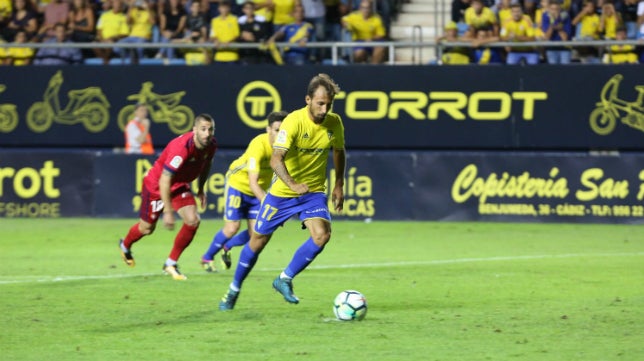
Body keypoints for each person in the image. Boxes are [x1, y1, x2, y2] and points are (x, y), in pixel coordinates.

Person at [218, 73, 345, 311]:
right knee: (257, 241)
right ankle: (233, 290)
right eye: (320, 103)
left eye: (329, 104)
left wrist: (339, 184)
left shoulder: (334, 122)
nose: (325, 109)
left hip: (313, 191)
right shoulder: (293, 122)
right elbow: (276, 159)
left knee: (322, 235)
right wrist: (293, 184)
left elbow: (339, 151)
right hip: (283, 193)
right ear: (307, 99)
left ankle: (284, 279)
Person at [118, 113, 217, 280]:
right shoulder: (182, 148)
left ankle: (170, 263)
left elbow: (207, 164)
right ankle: (125, 244)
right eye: (203, 129)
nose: (207, 133)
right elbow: (165, 180)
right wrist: (168, 212)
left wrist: (201, 188)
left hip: (178, 185)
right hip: (157, 186)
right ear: (194, 130)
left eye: (210, 129)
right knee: (147, 228)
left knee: (193, 220)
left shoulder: (211, 145)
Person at [201, 111, 287, 273]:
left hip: (259, 191)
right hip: (239, 185)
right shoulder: (259, 145)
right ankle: (207, 257)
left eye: (284, 131)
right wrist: (271, 205)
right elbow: (252, 182)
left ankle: (228, 246)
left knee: (256, 232)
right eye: (277, 130)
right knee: (232, 227)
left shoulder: (286, 148)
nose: (280, 135)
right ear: (268, 129)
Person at [94, 0, 130, 65]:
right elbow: (99, 29)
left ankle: (105, 62)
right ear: (112, 5)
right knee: (93, 44)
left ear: (122, 7)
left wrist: (113, 38)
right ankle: (105, 59)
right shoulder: (104, 15)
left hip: (114, 40)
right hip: (102, 39)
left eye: (119, 5)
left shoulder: (124, 18)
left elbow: (124, 34)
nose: (117, 6)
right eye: (116, 4)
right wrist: (101, 39)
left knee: (109, 44)